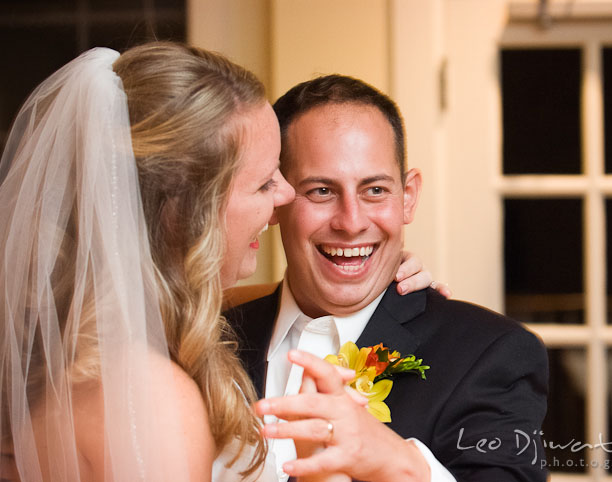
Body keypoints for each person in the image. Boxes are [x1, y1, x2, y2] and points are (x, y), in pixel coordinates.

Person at [0, 43, 435, 481]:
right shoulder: (152, 402)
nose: (286, 196)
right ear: (189, 212)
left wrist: (371, 281)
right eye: (265, 182)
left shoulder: (68, 350)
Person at [222, 75, 549, 481]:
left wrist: (397, 462)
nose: (352, 222)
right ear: (277, 196)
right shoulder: (210, 337)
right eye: (322, 191)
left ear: (407, 196)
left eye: (374, 190)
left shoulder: (492, 353)